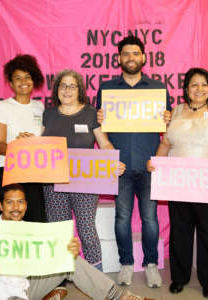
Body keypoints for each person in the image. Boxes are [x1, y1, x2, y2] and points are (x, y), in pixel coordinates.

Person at [0, 183, 153, 300]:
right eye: (10, 202)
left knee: (70, 262)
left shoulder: (31, 233)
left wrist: (68, 252)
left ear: (26, 206)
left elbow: (51, 260)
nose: (16, 207)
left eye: (20, 202)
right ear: (0, 206)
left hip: (26, 291)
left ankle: (119, 297)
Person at [148, 67, 208, 298]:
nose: (199, 89)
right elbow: (166, 143)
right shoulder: (176, 111)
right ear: (186, 89)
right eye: (194, 84)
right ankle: (179, 277)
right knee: (180, 230)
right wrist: (156, 162)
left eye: (204, 84)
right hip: (179, 180)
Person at [96, 35, 171, 288]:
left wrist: (168, 117)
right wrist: (100, 117)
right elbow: (99, 128)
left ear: (143, 57)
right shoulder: (106, 89)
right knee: (122, 218)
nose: (131, 58)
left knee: (150, 219)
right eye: (126, 54)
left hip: (150, 166)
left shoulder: (158, 89)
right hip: (120, 167)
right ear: (119, 58)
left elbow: (168, 129)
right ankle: (126, 263)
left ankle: (151, 264)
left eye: (135, 53)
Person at [42, 69, 125, 271]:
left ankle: (96, 275)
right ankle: (60, 276)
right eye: (63, 85)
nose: (68, 90)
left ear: (80, 90)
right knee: (59, 231)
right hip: (54, 183)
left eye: (72, 86)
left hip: (85, 183)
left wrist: (113, 160)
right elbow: (40, 145)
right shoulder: (49, 114)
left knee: (86, 229)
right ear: (57, 90)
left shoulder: (90, 113)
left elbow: (104, 144)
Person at [0, 54, 46, 222]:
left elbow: (43, 143)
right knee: (7, 229)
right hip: (1, 173)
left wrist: (34, 143)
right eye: (17, 78)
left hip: (30, 173)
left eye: (27, 77)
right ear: (11, 83)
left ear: (34, 80)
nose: (23, 82)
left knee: (37, 224)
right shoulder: (2, 107)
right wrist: (20, 146)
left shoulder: (40, 107)